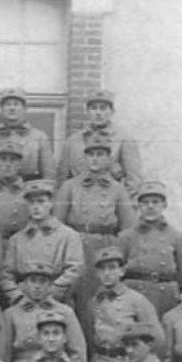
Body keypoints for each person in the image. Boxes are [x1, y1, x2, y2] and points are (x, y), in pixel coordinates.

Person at [53, 131, 137, 312]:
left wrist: (118, 256)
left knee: (102, 296)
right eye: (91, 154)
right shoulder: (70, 186)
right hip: (77, 247)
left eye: (100, 155)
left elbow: (128, 228)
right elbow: (57, 225)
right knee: (76, 296)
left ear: (109, 159)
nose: (95, 159)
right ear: (85, 158)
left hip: (106, 246)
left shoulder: (117, 189)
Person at [0, 180, 84, 305]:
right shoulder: (16, 240)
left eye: (41, 201)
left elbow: (75, 270)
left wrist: (52, 294)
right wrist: (17, 297)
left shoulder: (68, 236)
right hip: (23, 303)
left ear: (51, 203)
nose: (36, 207)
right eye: (31, 202)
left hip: (57, 302)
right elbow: (7, 275)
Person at [118, 180, 182, 318]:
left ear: (164, 205)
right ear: (138, 205)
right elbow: (117, 271)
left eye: (155, 202)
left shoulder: (177, 237)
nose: (150, 206)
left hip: (166, 297)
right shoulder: (126, 237)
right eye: (145, 202)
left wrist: (176, 291)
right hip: (135, 294)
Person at [0, 263, 89, 362]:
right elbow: (4, 353)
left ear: (50, 285)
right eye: (33, 281)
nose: (37, 286)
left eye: (42, 281)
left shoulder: (65, 312)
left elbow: (77, 350)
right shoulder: (11, 314)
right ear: (24, 284)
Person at [56, 90, 144, 193]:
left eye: (103, 108)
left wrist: (118, 202)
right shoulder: (72, 141)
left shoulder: (124, 140)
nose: (98, 113)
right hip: (79, 202)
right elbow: (62, 179)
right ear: (88, 111)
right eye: (94, 108)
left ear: (111, 111)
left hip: (110, 202)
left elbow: (134, 180)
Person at [83, 246, 162, 353]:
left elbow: (156, 338)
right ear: (97, 273)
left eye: (112, 268)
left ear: (122, 271)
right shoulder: (94, 302)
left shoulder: (137, 300)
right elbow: (89, 336)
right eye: (102, 269)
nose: (106, 273)